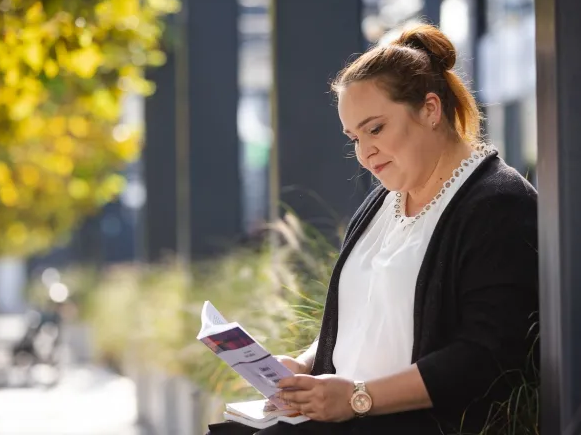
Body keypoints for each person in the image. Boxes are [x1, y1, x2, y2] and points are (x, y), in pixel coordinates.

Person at [207, 24, 538, 435]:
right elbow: (360, 321)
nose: (365, 154)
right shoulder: (383, 201)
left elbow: (486, 357)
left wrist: (358, 398)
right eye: (354, 138)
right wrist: (304, 366)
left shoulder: (498, 203)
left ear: (431, 110)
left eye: (375, 129)